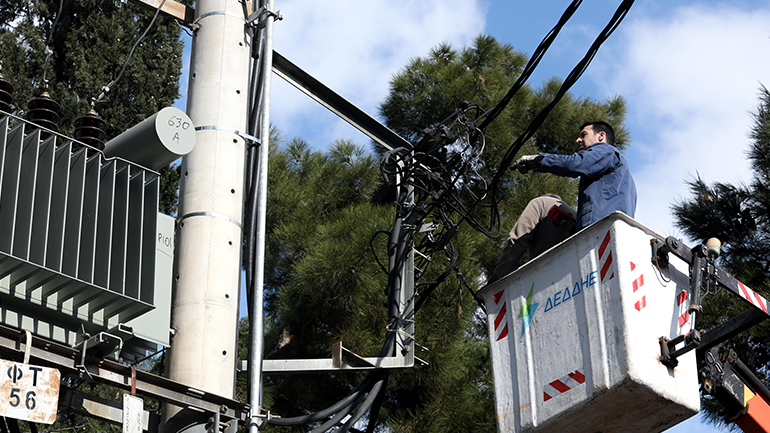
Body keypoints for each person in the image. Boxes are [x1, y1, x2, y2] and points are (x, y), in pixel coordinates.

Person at [512, 121, 637, 231]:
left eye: (584, 135)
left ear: (601, 136)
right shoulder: (625, 178)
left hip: (598, 231)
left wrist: (538, 160)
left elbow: (576, 163)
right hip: (615, 232)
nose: (578, 140)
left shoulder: (605, 150)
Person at [488, 194, 576, 284]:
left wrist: (498, 279)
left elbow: (517, 240)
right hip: (572, 278)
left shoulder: (540, 203)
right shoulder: (576, 215)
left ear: (546, 196)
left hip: (544, 279)